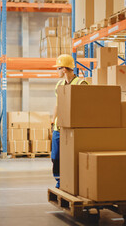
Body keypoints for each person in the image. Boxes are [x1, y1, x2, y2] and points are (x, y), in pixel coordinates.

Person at [51, 54, 88, 188]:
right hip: (58, 127)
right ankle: (59, 180)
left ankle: (69, 182)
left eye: (58, 68)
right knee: (55, 156)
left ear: (64, 69)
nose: (57, 71)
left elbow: (84, 107)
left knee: (71, 156)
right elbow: (57, 104)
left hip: (73, 127)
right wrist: (52, 121)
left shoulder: (81, 83)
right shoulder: (59, 85)